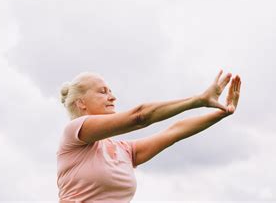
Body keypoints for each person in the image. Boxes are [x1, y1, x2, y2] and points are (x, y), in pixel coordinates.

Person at [57, 70, 242, 201]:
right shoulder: (74, 133)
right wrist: (198, 100)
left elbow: (175, 131)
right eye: (103, 92)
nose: (112, 97)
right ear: (81, 103)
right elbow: (140, 117)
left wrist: (222, 113)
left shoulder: (124, 151)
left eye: (111, 91)